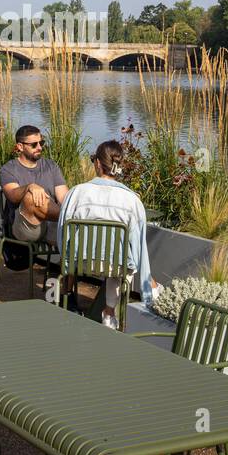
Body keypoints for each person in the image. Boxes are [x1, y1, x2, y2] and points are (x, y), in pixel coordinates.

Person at [55, 140, 156, 329]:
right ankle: (109, 313)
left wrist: (66, 259)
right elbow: (138, 247)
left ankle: (68, 303)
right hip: (115, 267)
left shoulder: (76, 193)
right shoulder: (132, 200)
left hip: (78, 263)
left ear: (98, 164)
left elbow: (62, 232)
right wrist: (146, 286)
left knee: (119, 259)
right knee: (125, 260)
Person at [0, 124, 68, 246]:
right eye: (33, 145)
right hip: (25, 227)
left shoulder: (51, 166)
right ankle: (70, 219)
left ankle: (69, 260)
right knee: (29, 197)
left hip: (52, 226)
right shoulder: (8, 169)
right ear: (20, 146)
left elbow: (64, 197)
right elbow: (12, 195)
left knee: (77, 198)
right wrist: (29, 187)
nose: (39, 147)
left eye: (41, 143)